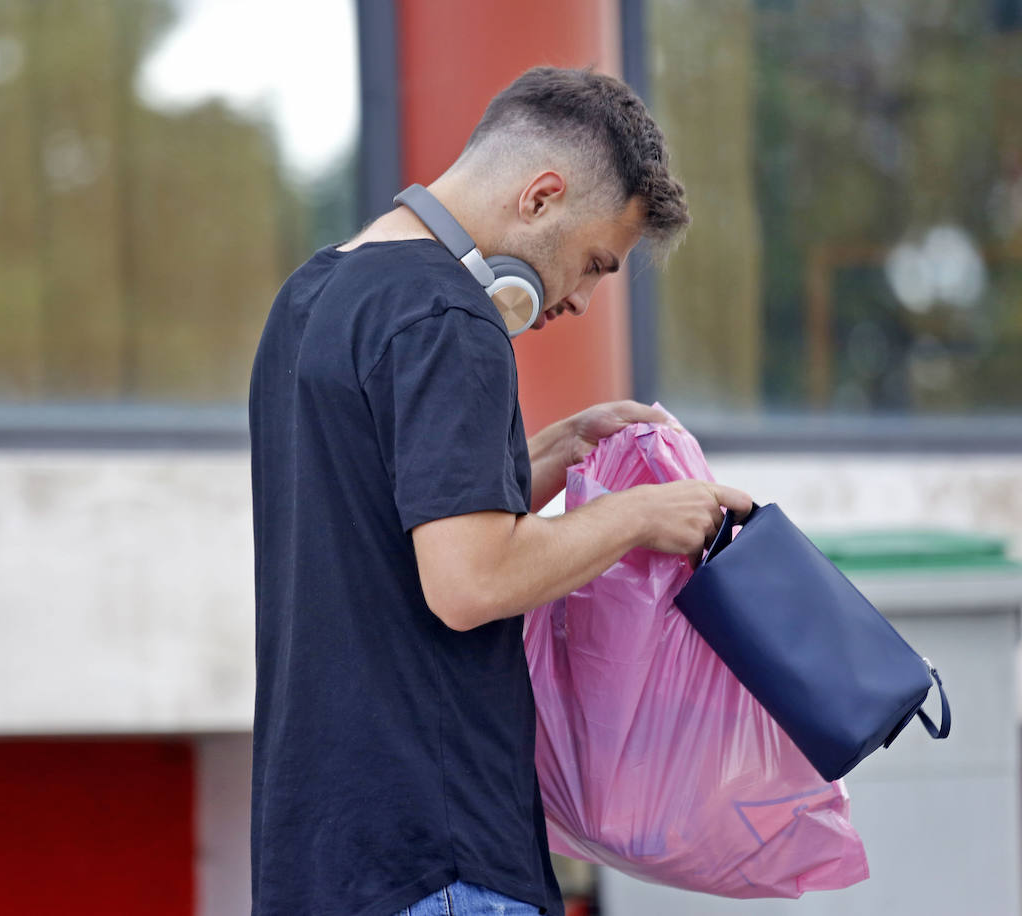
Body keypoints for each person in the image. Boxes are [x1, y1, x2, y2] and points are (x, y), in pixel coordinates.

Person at [248, 66, 751, 916]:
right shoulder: (452, 320)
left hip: (318, 860)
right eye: (595, 263)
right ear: (543, 197)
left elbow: (381, 521)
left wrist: (554, 450)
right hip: (437, 859)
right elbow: (470, 581)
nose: (585, 300)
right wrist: (640, 515)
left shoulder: (312, 298)